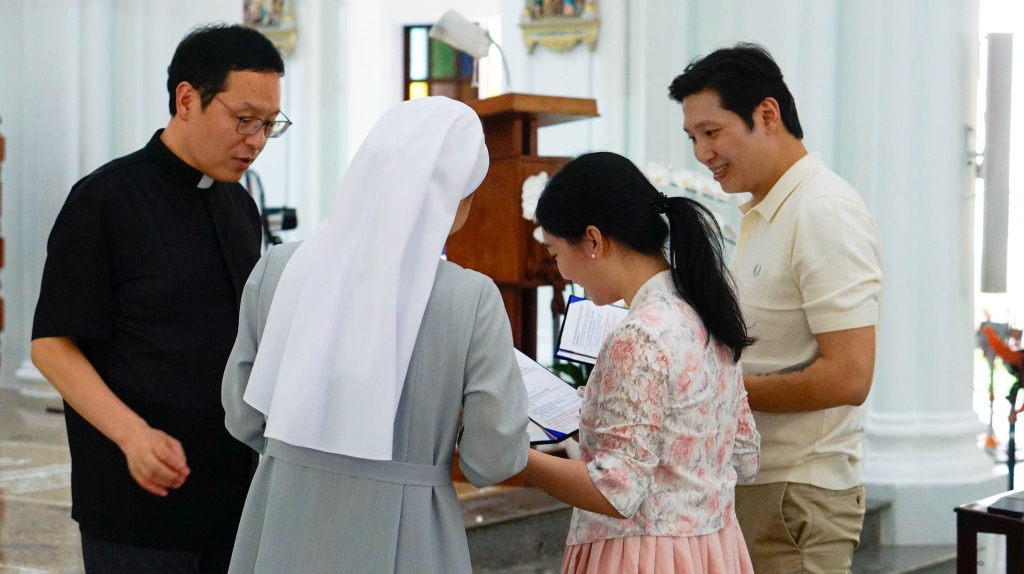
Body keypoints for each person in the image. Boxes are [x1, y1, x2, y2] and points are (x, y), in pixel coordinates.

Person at [220, 96, 530, 573]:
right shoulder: (470, 298)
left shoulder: (278, 268)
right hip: (408, 532)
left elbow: (243, 418)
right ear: (456, 194)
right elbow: (492, 459)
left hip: (282, 520)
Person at [30, 24, 288, 573]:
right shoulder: (105, 200)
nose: (257, 141)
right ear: (187, 100)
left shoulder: (239, 206)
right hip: (138, 501)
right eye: (245, 119)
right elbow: (51, 345)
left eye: (269, 124)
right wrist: (134, 436)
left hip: (232, 497)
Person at [669, 43, 884, 573]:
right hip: (759, 482)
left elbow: (850, 376)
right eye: (693, 137)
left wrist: (719, 389)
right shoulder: (767, 211)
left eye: (711, 132)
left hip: (798, 492)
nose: (702, 153)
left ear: (767, 115)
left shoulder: (823, 210)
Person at [520, 151, 760, 574]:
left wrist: (514, 456)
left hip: (643, 556)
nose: (561, 271)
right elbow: (745, 455)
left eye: (555, 253)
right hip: (712, 550)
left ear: (593, 241)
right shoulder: (706, 311)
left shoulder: (639, 335)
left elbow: (616, 491)